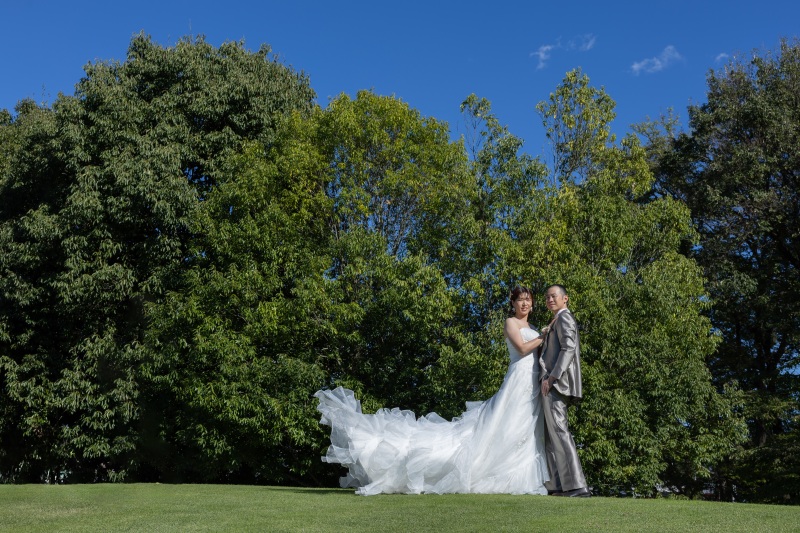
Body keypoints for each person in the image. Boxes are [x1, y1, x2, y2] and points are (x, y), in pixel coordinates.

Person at [314, 285, 549, 495]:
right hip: (517, 380)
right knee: (503, 427)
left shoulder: (535, 327)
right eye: (520, 300)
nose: (525, 303)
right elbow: (520, 348)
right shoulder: (512, 323)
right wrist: (543, 337)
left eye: (528, 299)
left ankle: (518, 476)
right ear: (513, 303)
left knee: (523, 429)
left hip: (532, 383)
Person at [538, 284, 591, 497]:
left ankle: (577, 485)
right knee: (551, 436)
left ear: (565, 298)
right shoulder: (555, 320)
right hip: (549, 382)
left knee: (560, 431)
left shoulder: (564, 318)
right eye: (547, 297)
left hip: (556, 382)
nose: (550, 299)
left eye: (554, 296)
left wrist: (552, 378)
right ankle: (558, 485)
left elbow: (568, 348)